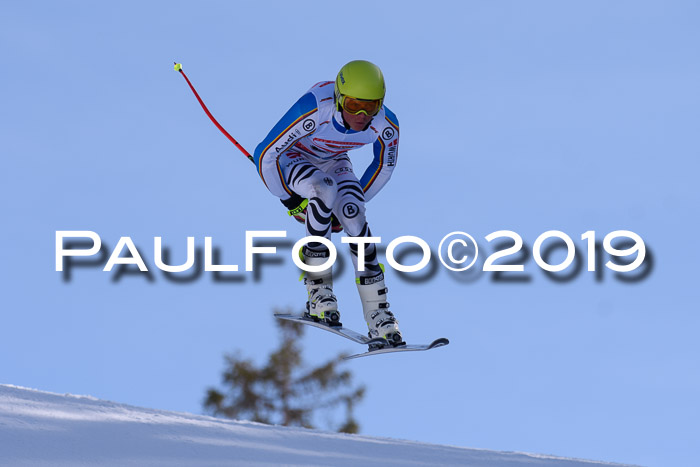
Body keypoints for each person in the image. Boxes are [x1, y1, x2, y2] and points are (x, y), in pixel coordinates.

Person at [253, 60, 403, 346]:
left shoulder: (386, 125)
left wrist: (349, 206)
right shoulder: (315, 108)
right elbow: (265, 154)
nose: (360, 115)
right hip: (295, 156)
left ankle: (378, 313)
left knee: (354, 214)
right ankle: (318, 290)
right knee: (323, 189)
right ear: (338, 97)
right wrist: (290, 200)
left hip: (334, 161)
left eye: (369, 107)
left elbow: (384, 165)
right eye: (353, 104)